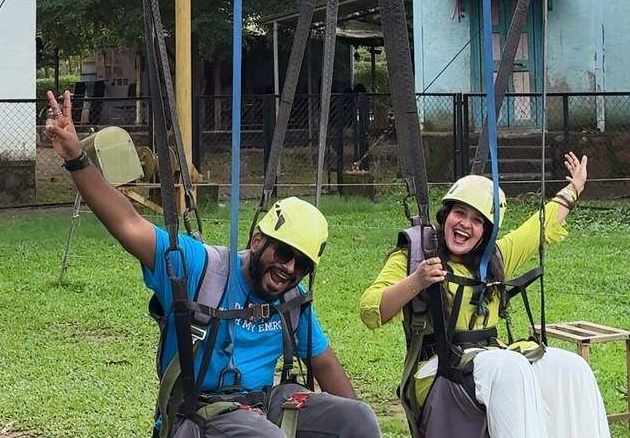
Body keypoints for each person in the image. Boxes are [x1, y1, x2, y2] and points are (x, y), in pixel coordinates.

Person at [45, 90, 382, 438]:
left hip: (266, 405)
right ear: (257, 241)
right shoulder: (201, 268)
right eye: (283, 254)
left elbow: (324, 362)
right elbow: (129, 224)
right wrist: (76, 158)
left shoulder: (290, 301)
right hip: (202, 410)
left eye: (302, 265)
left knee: (358, 419)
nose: (290, 269)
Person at [359, 153, 610, 438]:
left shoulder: (494, 260)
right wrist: (416, 281)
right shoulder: (416, 256)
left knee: (571, 367)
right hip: (439, 368)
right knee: (509, 367)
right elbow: (371, 309)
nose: (466, 224)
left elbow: (537, 227)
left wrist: (574, 187)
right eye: (460, 213)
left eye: (477, 220)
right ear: (446, 216)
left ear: (486, 233)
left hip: (492, 359)